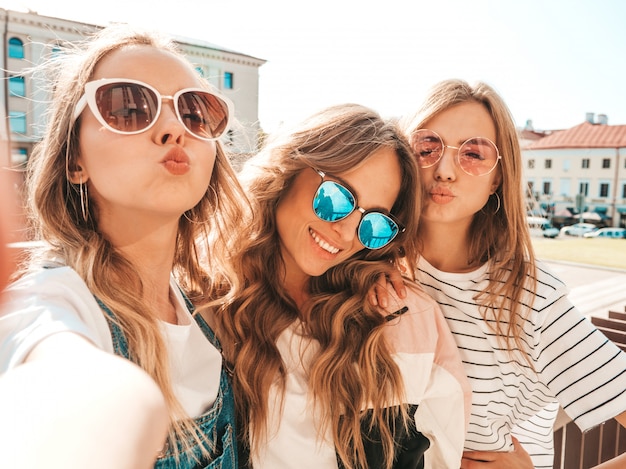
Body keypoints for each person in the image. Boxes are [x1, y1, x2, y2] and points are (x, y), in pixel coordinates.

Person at [0, 24, 248, 468]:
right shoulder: (56, 302)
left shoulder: (208, 302)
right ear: (75, 159)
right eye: (129, 107)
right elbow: (52, 378)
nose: (174, 128)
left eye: (195, 113)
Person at [211, 103, 471, 468]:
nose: (348, 233)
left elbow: (443, 448)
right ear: (290, 169)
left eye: (375, 223)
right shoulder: (207, 301)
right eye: (336, 198)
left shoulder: (401, 317)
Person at [394, 79, 626, 468]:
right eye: (427, 147)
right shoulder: (373, 266)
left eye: (473, 153)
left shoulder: (529, 298)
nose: (446, 169)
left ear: (497, 178)